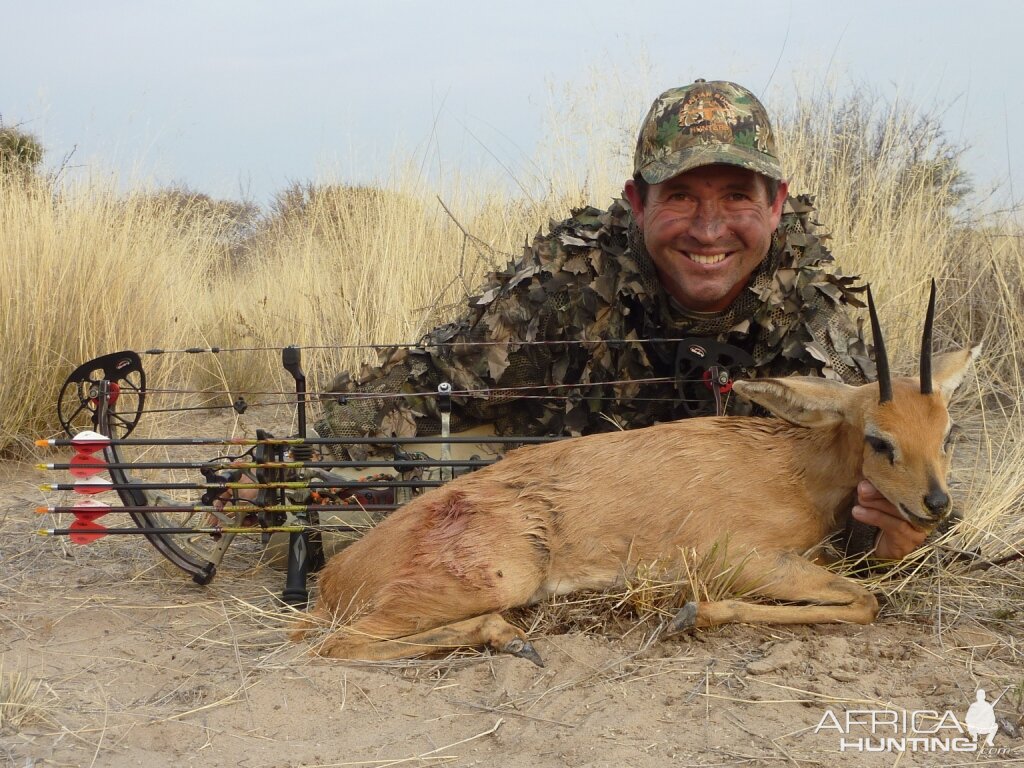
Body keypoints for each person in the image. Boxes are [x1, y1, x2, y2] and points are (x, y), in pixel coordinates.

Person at [315, 79, 928, 560]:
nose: (709, 229)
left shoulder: (817, 324)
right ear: (638, 203)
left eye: (737, 196)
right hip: (552, 510)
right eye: (682, 196)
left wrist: (889, 543)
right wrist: (316, 459)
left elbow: (879, 482)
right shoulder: (563, 285)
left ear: (776, 205)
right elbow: (423, 383)